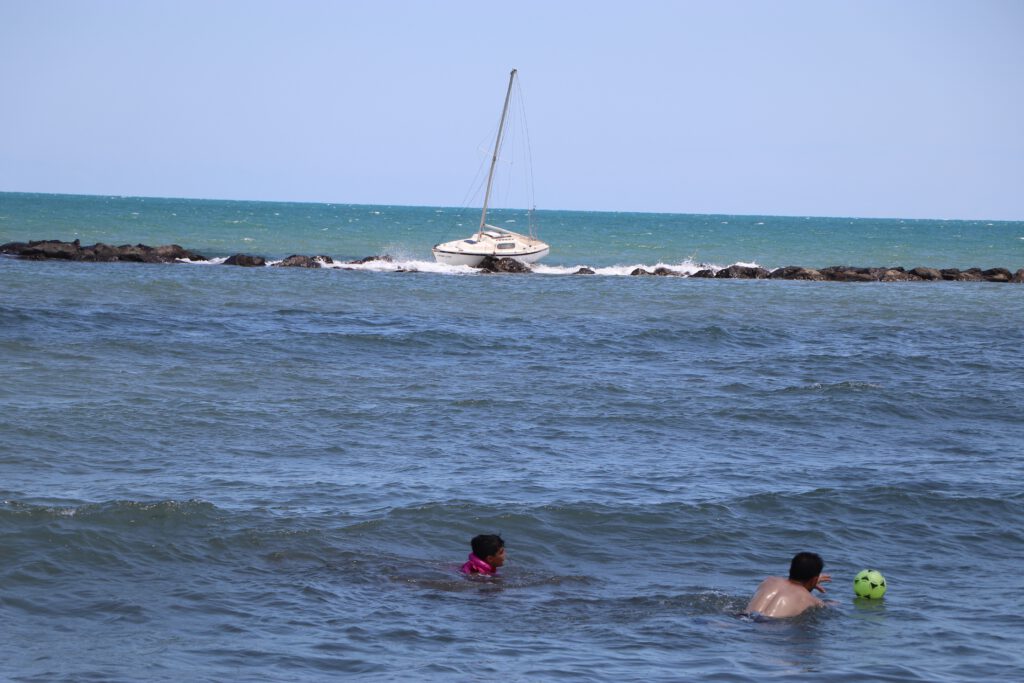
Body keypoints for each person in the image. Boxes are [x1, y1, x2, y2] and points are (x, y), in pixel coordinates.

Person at [745, 552, 832, 618]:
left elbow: (788, 585)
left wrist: (812, 582)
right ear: (814, 580)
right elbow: (829, 605)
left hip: (742, 617)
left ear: (790, 569)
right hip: (769, 625)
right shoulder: (811, 600)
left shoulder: (769, 581)